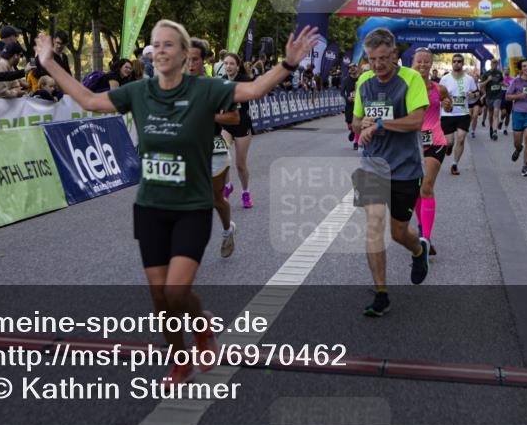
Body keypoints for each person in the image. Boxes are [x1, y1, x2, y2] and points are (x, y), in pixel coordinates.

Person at [33, 20, 319, 386]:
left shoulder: (206, 89)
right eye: (156, 45)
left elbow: (252, 90)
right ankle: (182, 357)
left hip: (192, 207)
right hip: (151, 208)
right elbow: (89, 101)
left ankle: (200, 332)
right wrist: (49, 62)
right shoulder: (139, 92)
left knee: (175, 291)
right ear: (150, 54)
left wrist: (289, 64)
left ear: (186, 55)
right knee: (161, 298)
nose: (162, 50)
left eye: (170, 45)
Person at [352, 27, 430, 318]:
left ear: (394, 54)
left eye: (382, 59)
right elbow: (356, 122)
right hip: (372, 165)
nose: (376, 66)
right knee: (373, 226)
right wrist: (364, 127)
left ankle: (418, 250)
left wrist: (382, 125)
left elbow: (415, 121)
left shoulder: (411, 80)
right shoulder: (364, 82)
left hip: (405, 168)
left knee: (399, 233)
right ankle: (381, 293)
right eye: (371, 60)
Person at [185, 37, 239, 258]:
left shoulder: (217, 86)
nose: (190, 65)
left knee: (214, 200)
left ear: (205, 60)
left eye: (195, 60)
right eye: (186, 59)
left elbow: (235, 117)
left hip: (214, 149)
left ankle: (228, 230)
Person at [410, 48, 452, 257]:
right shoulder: (404, 87)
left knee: (426, 186)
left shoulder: (439, 89)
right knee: (417, 189)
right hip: (411, 144)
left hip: (435, 140)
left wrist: (447, 104)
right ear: (412, 63)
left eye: (427, 62)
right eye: (419, 62)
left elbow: (449, 106)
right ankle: (422, 228)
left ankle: (425, 239)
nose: (423, 65)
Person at [220, 53, 255, 210]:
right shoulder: (221, 80)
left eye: (231, 63)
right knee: (221, 157)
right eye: (226, 63)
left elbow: (246, 96)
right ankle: (227, 186)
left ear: (237, 65)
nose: (228, 66)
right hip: (226, 124)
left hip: (241, 123)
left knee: (240, 164)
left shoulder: (245, 79)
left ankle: (246, 192)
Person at [439, 53, 479, 176]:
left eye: (459, 61)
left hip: (463, 113)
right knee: (449, 142)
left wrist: (473, 95)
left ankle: (454, 164)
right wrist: (444, 100)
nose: (456, 63)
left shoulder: (469, 79)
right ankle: (449, 147)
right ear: (452, 63)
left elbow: (477, 92)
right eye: (454, 61)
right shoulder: (445, 79)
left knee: (461, 139)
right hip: (447, 114)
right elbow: (439, 95)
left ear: (462, 63)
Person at [479, 58, 506, 140]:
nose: (494, 65)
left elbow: (501, 82)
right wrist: (488, 80)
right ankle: (491, 127)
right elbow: (481, 85)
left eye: (496, 64)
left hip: (497, 96)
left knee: (496, 113)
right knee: (490, 115)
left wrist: (508, 85)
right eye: (493, 64)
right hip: (489, 97)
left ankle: (495, 131)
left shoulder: (499, 73)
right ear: (490, 65)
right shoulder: (486, 74)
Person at [341, 64, 361, 150]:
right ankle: (352, 131)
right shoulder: (346, 80)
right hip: (349, 105)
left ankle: (356, 142)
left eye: (354, 66)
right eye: (350, 67)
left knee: (358, 124)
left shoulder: (361, 78)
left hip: (359, 104)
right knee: (350, 125)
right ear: (349, 70)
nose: (352, 68)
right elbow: (342, 92)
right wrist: (347, 98)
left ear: (357, 68)